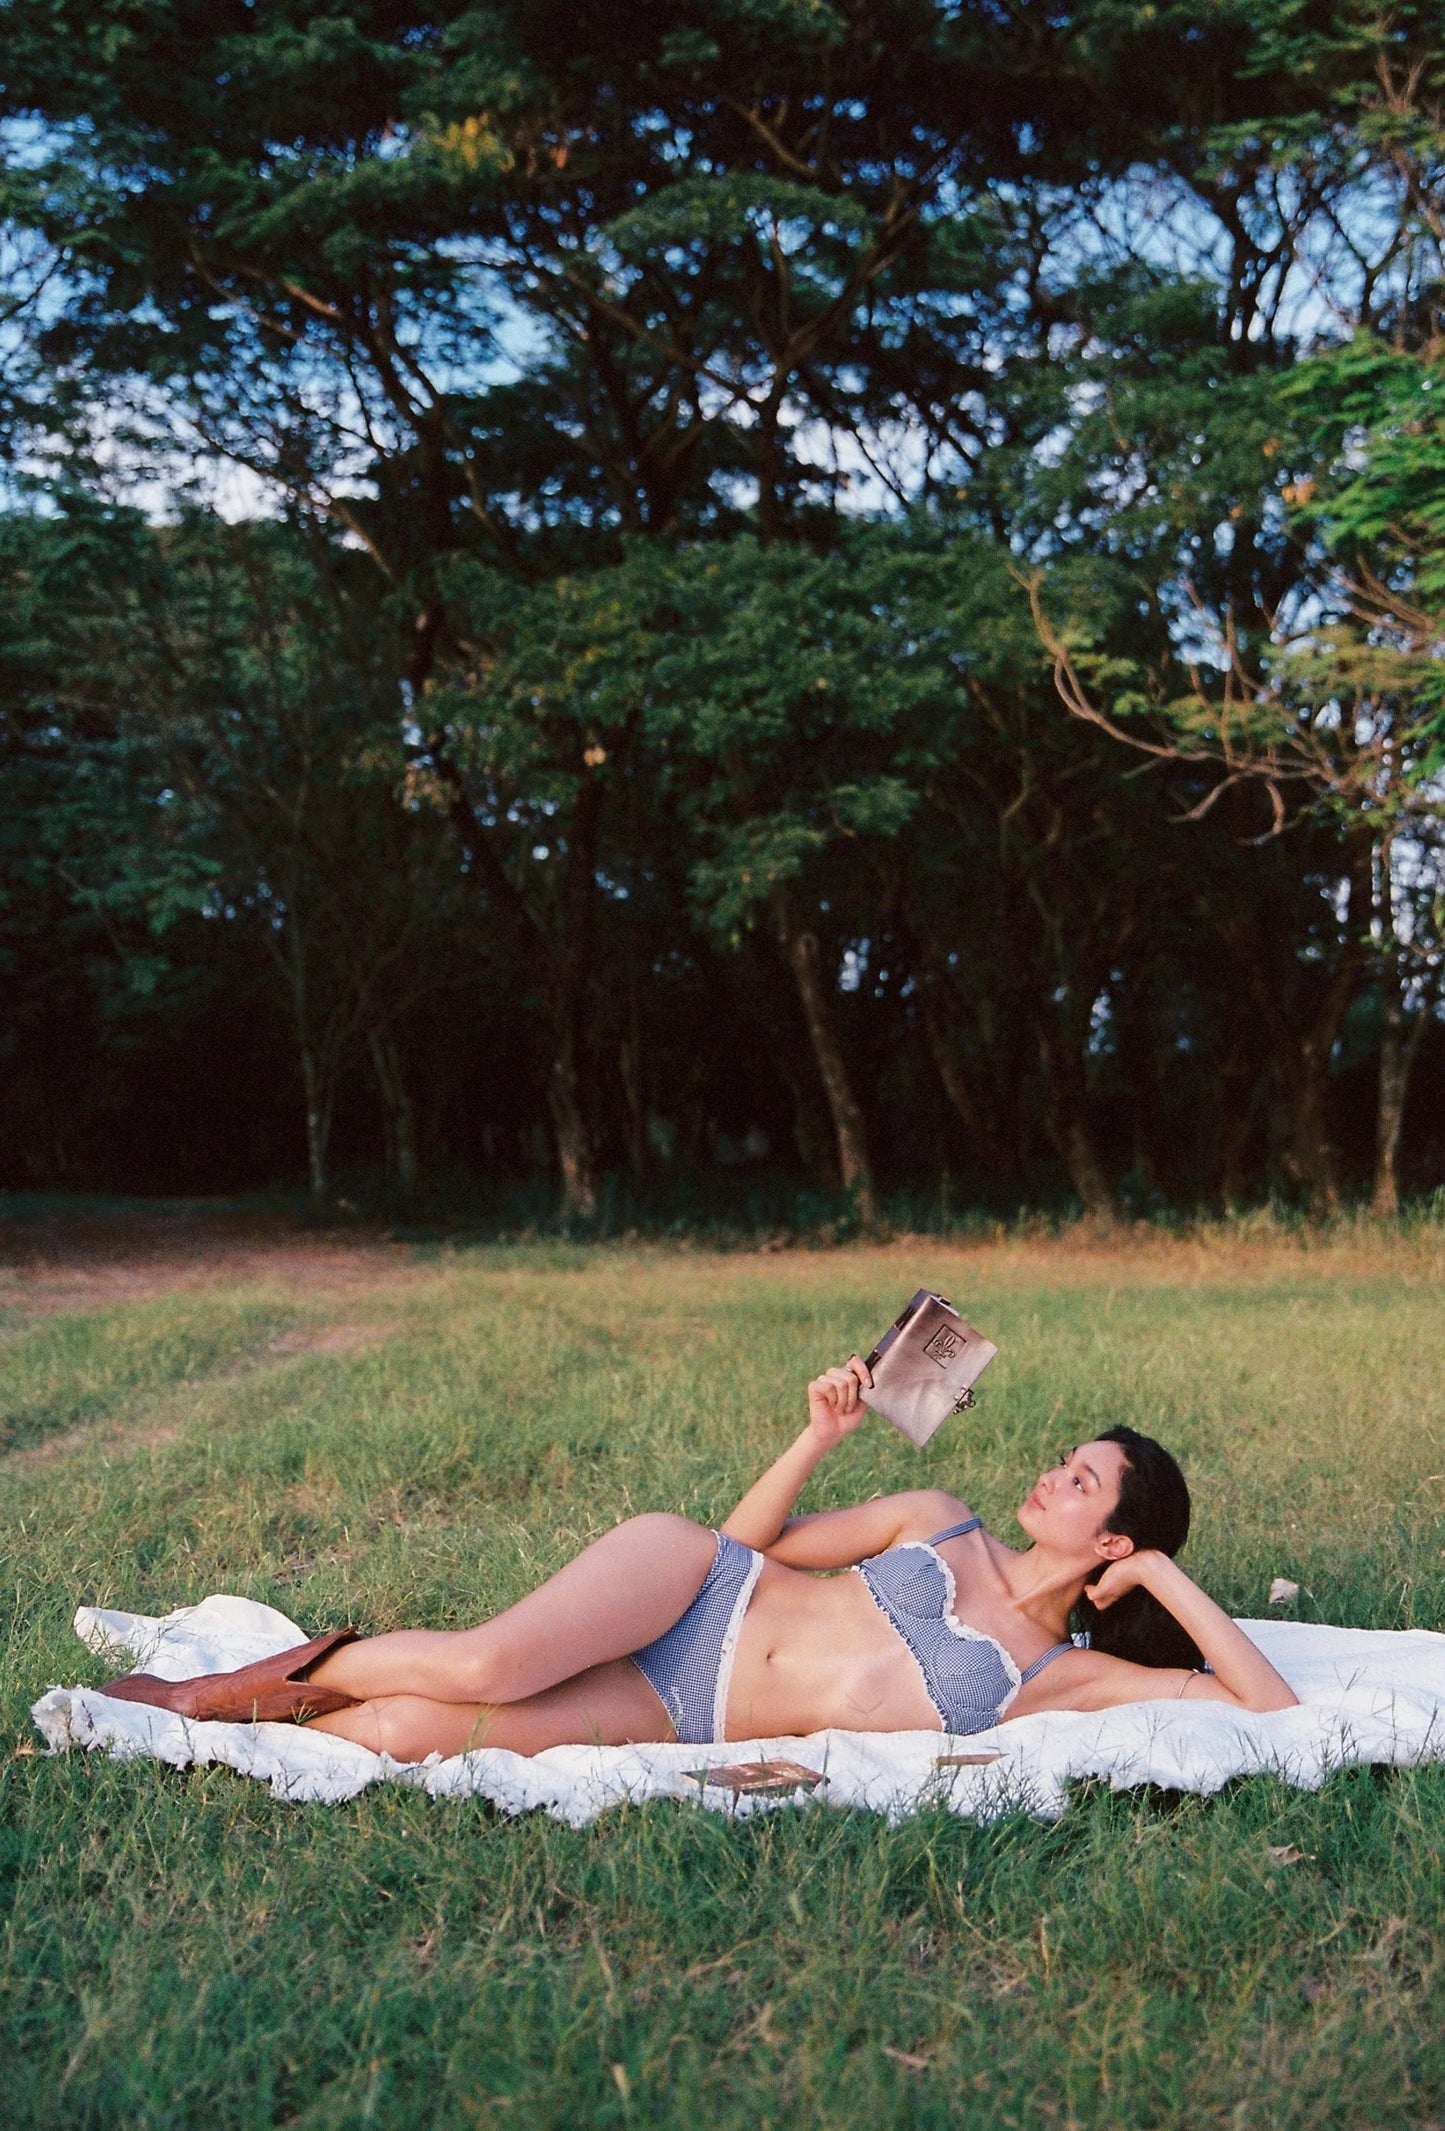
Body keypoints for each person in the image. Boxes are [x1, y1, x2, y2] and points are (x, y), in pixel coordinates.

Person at [102, 1355, 1297, 1758]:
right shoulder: (938, 1516)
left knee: (420, 1733)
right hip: (696, 1582)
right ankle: (206, 1695)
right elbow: (747, 1541)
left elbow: (1265, 1703)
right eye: (1062, 1460)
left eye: (1080, 1482)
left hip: (690, 1711)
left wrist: (1158, 1577)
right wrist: (818, 1435)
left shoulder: (1062, 1672)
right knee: (478, 1668)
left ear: (1114, 1537)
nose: (1049, 1475)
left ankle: (260, 1716)